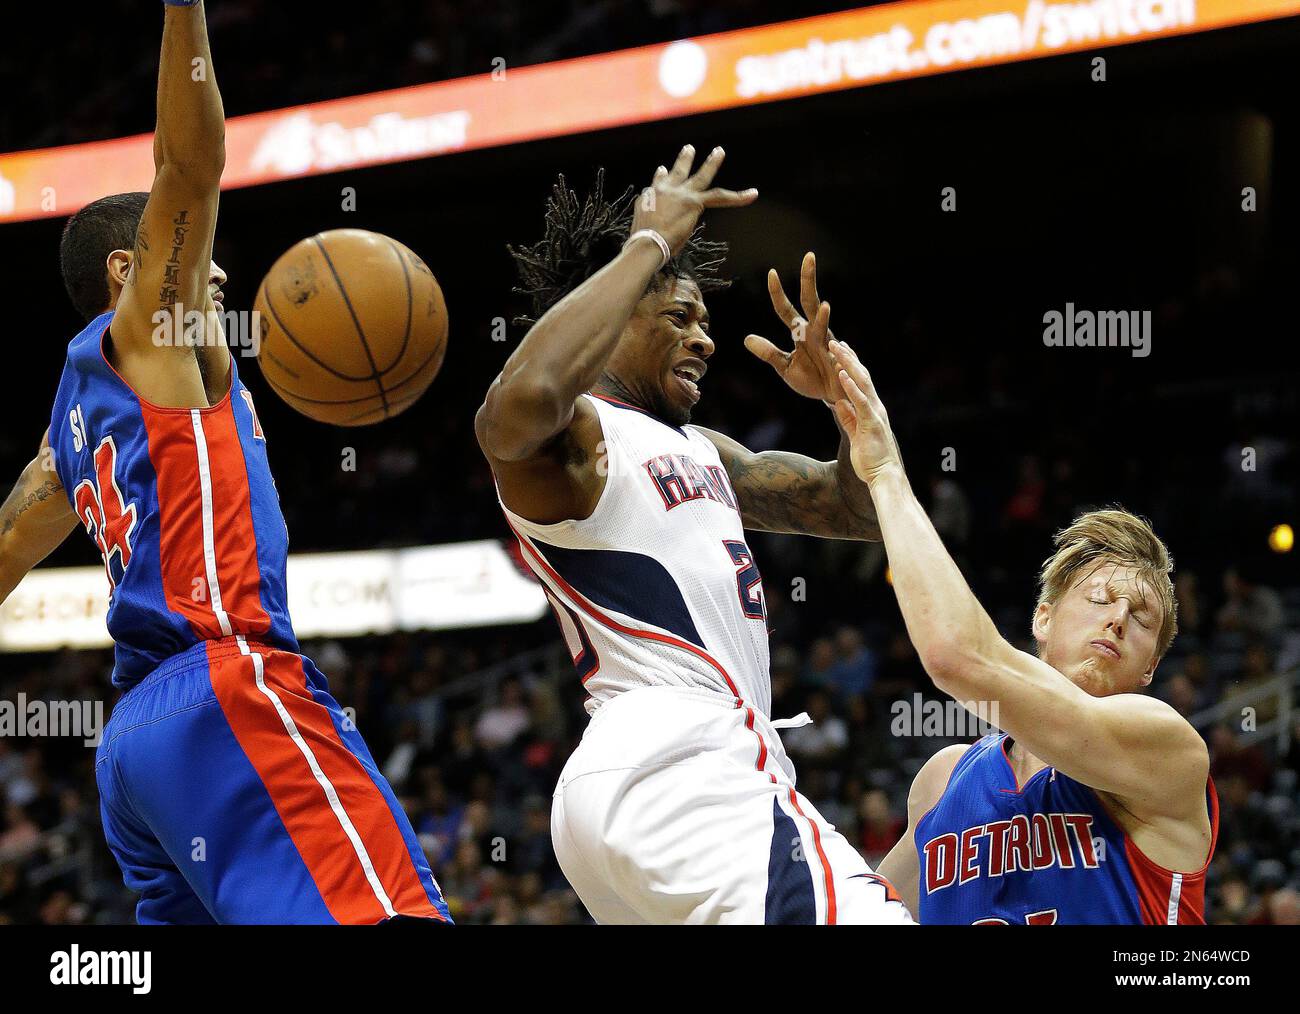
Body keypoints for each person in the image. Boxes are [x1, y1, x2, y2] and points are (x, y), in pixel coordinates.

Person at [0, 1, 447, 925]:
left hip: (136, 751)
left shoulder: (67, 429)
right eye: (198, 262)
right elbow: (191, 165)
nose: (218, 280)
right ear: (129, 271)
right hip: (224, 684)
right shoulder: (154, 332)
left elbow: (4, 549)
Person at [475, 144, 910, 924]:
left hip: (635, 788)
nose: (706, 340)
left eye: (705, 322)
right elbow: (525, 394)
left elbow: (858, 510)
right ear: (607, 315)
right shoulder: (578, 441)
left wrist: (847, 408)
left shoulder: (705, 452)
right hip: (683, 754)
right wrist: (648, 243)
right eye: (680, 316)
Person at [828, 339, 1218, 924]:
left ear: (1150, 669)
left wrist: (885, 472)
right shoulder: (942, 781)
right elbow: (860, 914)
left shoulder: (1167, 751)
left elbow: (957, 657)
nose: (1117, 618)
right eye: (1099, 599)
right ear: (1042, 618)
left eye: (1142, 620)